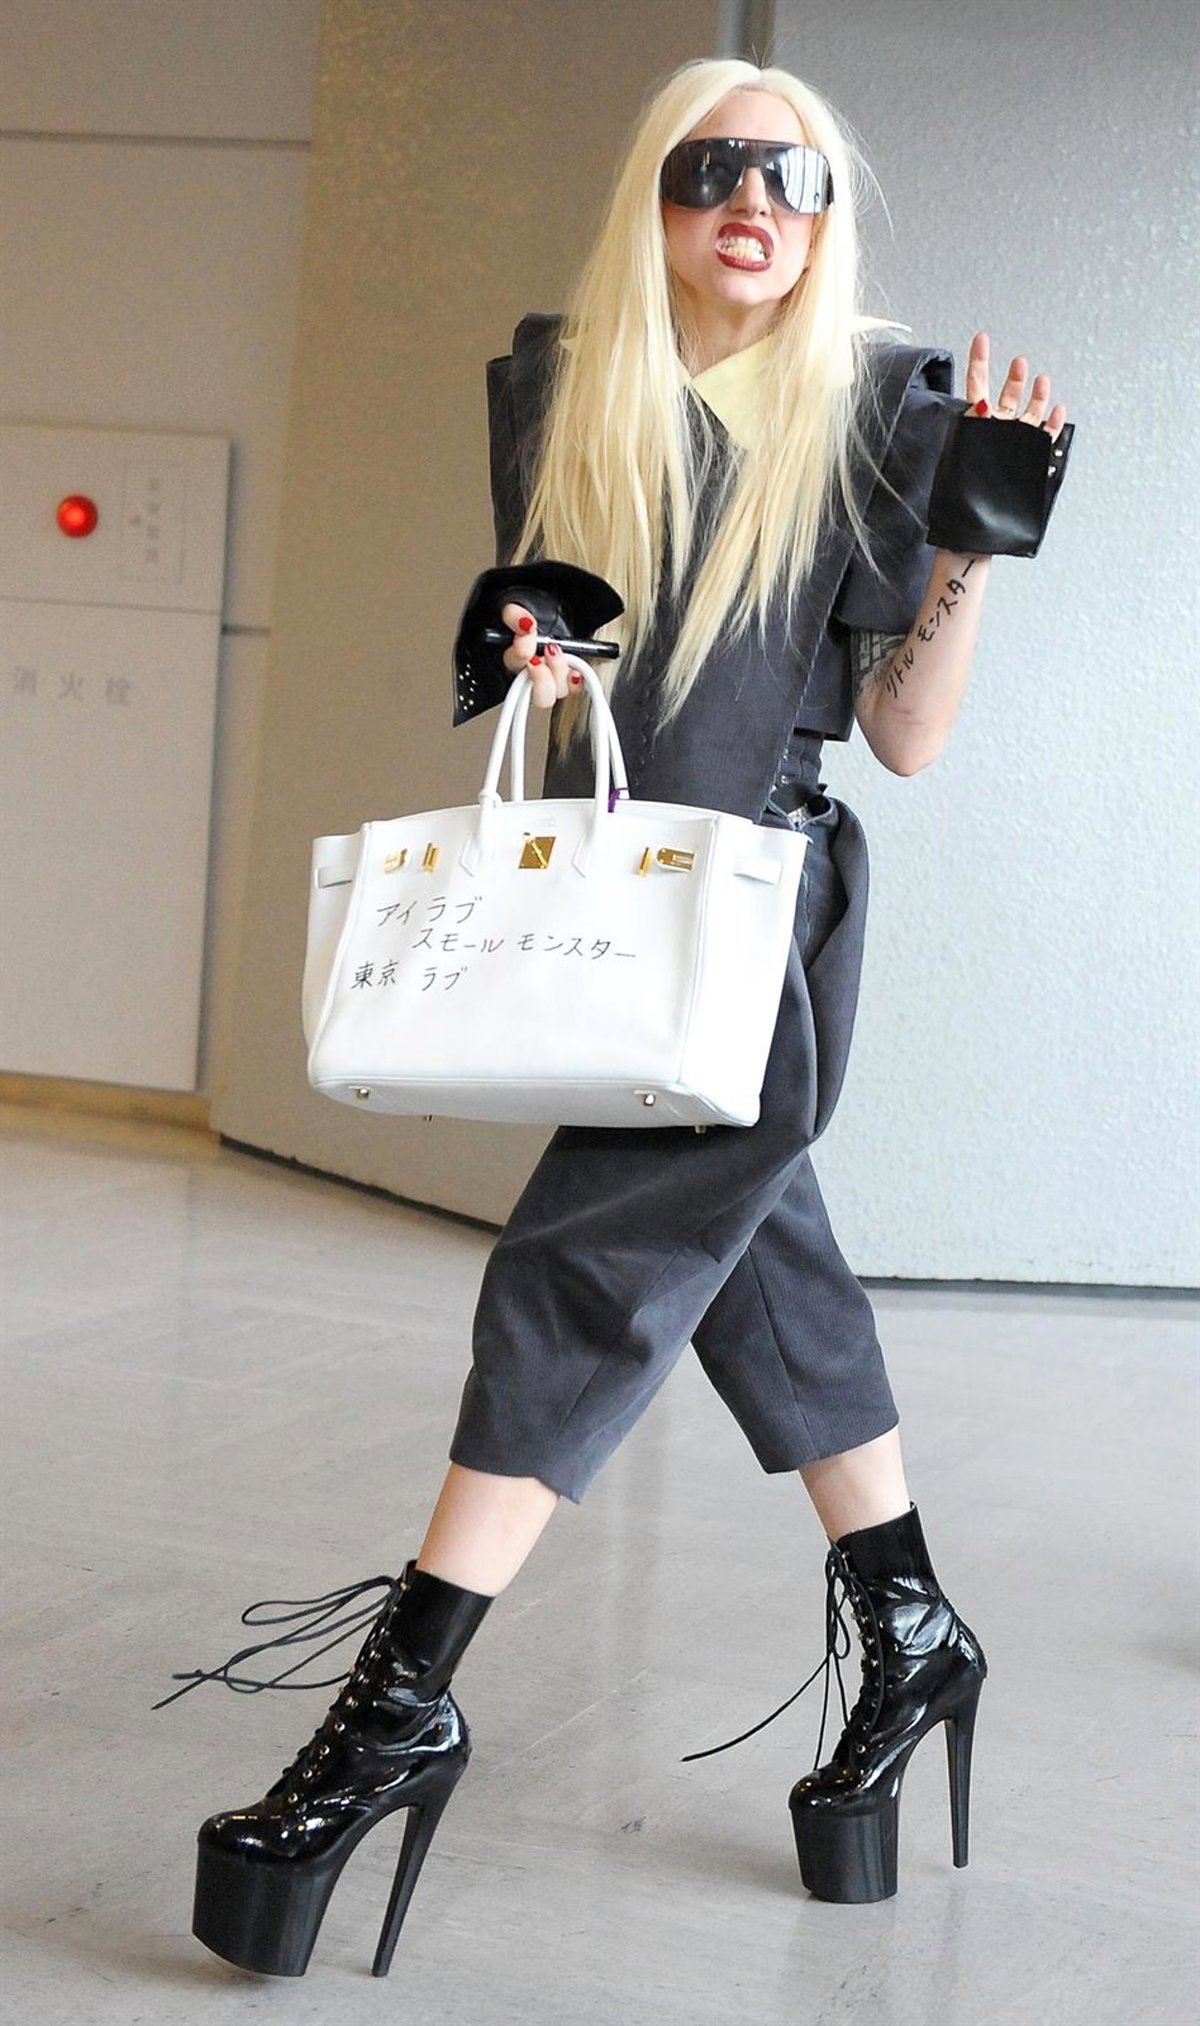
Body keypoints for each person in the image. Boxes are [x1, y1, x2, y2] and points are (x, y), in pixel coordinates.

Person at [156, 55, 1073, 1978]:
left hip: (754, 924)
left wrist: (972, 547)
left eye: (797, 179)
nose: (756, 203)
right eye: (715, 166)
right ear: (654, 194)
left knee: (576, 1275)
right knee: (763, 1269)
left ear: (827, 222)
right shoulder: (563, 386)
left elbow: (904, 737)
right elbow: (544, 681)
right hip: (615, 912)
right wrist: (520, 647)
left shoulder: (887, 407)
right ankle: (913, 1630)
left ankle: (396, 1708)